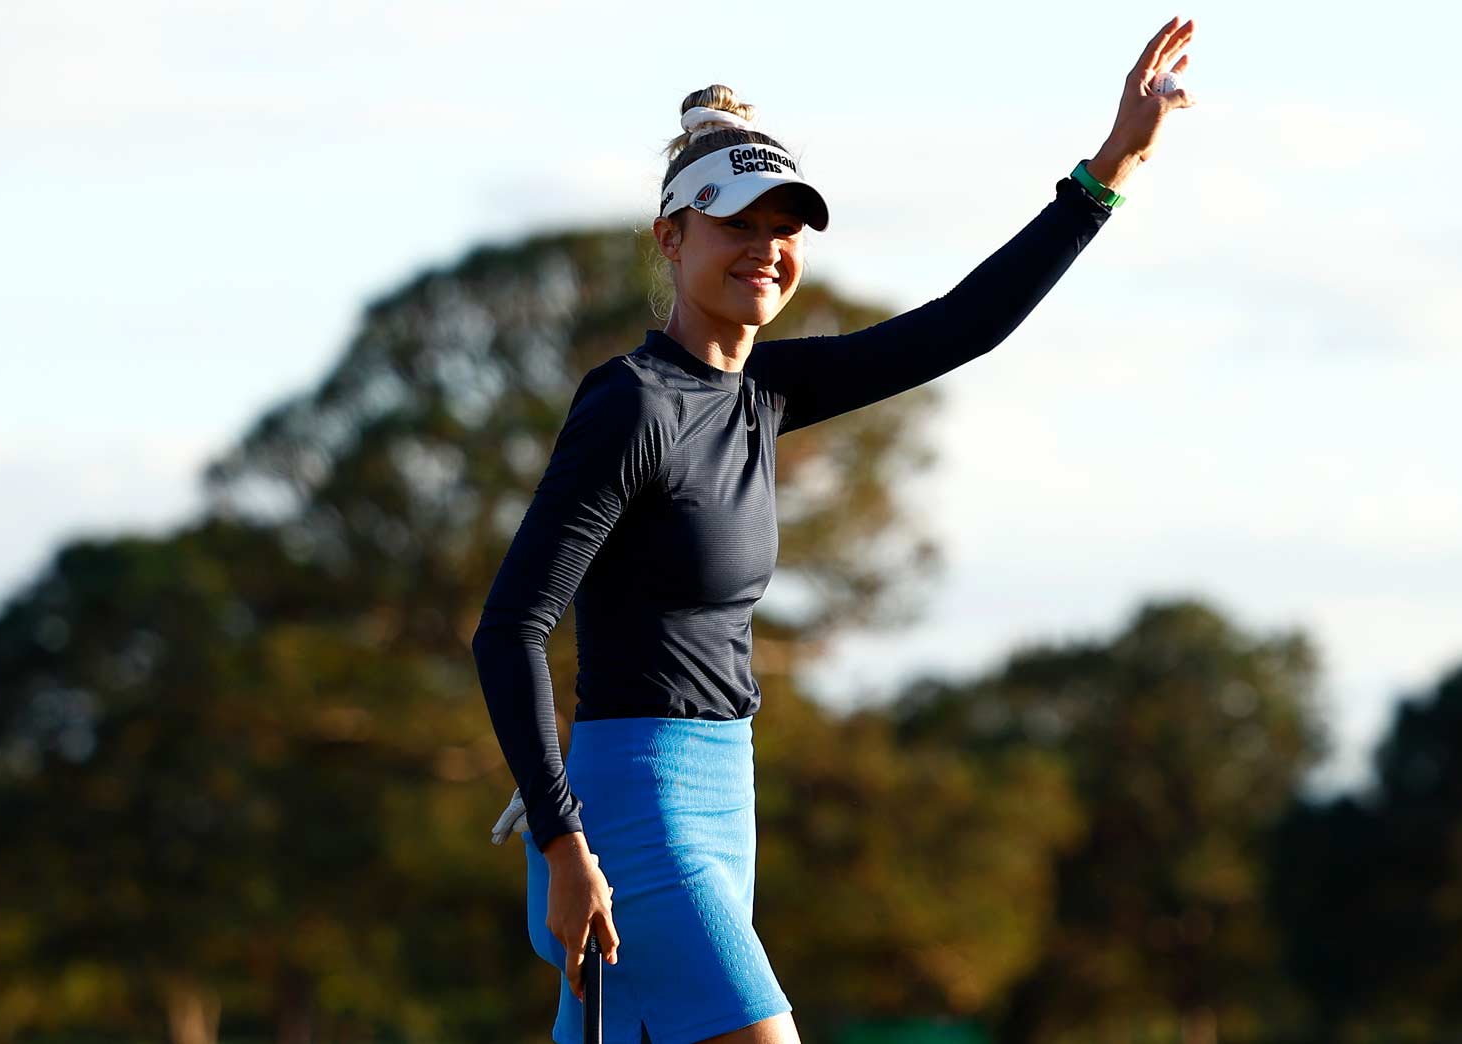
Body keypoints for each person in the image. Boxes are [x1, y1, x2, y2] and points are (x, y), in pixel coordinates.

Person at [471, 18, 1195, 1044]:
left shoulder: (761, 392)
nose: (765, 251)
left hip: (725, 790)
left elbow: (958, 326)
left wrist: (1110, 166)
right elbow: (508, 627)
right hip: (628, 813)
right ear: (671, 238)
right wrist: (559, 842)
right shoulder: (631, 405)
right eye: (734, 226)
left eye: (784, 230)